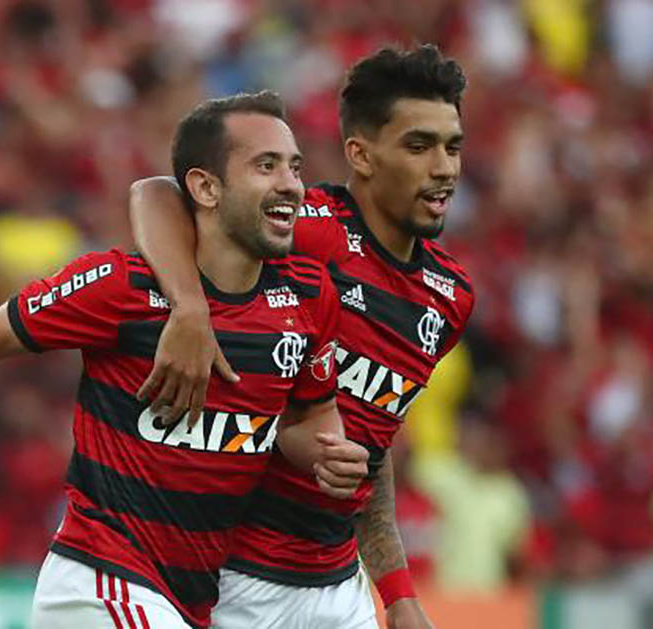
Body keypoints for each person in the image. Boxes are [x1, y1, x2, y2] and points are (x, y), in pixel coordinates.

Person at [0, 91, 369, 629]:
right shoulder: (123, 286)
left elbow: (306, 417)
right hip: (100, 582)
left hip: (192, 598)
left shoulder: (307, 296)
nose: (291, 183)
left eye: (294, 167)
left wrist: (327, 454)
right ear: (205, 187)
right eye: (265, 166)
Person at [129, 44, 474, 628]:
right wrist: (189, 308)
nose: (444, 168)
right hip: (226, 577)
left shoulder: (450, 296)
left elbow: (369, 443)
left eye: (452, 147)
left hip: (337, 589)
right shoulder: (305, 228)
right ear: (360, 155)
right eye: (419, 146)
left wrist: (399, 592)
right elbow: (156, 193)